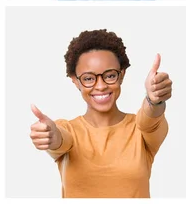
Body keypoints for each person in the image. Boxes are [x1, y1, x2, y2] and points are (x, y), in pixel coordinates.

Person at [30, 29, 171, 198]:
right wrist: (49, 135)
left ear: (122, 75)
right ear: (75, 81)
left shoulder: (139, 130)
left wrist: (154, 99)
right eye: (89, 78)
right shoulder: (66, 129)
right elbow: (60, 139)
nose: (101, 86)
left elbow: (150, 119)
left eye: (110, 75)